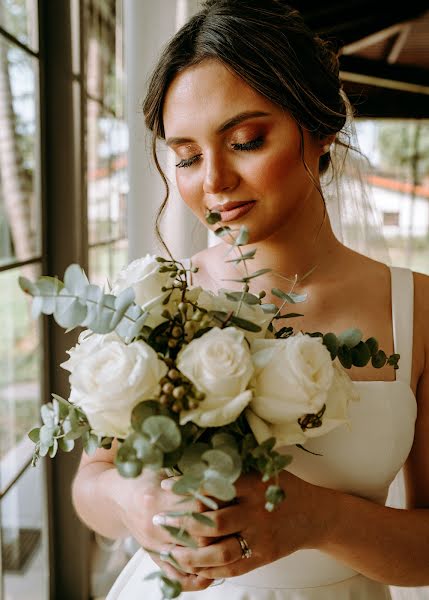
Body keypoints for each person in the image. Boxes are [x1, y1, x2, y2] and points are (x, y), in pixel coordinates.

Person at [72, 1, 429, 598]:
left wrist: (319, 518)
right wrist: (131, 500)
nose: (212, 180)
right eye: (185, 156)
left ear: (320, 130)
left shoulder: (416, 308)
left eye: (245, 140)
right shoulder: (154, 298)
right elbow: (91, 484)